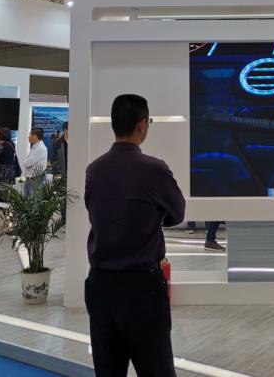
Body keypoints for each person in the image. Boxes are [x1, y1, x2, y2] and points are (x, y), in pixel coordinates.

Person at [85, 94, 185, 377]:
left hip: (100, 285)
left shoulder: (95, 169)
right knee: (157, 370)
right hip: (142, 288)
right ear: (143, 124)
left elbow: (95, 211)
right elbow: (177, 213)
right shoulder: (154, 169)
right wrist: (153, 217)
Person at [0, 127, 17, 201]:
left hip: (1, 171)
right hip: (10, 170)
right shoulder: (12, 144)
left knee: (1, 193)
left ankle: (1, 206)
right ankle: (6, 206)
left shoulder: (0, 146)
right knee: (7, 190)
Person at [20, 127, 48, 197]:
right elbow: (27, 162)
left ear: (35, 136)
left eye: (30, 134)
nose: (28, 137)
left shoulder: (40, 148)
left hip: (36, 179)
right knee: (25, 199)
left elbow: (27, 163)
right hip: (30, 178)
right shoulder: (35, 147)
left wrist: (25, 162)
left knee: (33, 200)